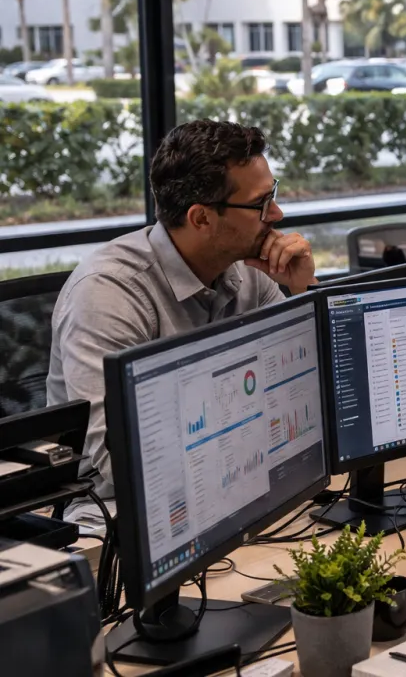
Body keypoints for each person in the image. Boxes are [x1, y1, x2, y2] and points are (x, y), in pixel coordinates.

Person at [47, 119, 315, 509]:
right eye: (260, 204)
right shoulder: (107, 294)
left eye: (271, 195)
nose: (276, 213)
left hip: (238, 485)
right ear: (201, 219)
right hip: (116, 513)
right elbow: (121, 464)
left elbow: (302, 397)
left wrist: (304, 289)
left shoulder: (246, 274)